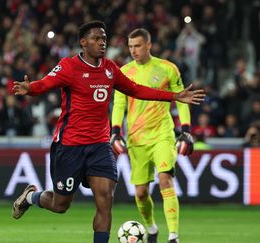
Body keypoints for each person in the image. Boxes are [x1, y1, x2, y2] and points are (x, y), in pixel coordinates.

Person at [11, 21, 204, 243]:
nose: (102, 43)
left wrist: (174, 96)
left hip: (100, 145)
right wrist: (31, 88)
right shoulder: (69, 67)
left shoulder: (110, 68)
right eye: (96, 39)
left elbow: (136, 90)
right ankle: (32, 196)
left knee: (105, 200)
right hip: (70, 145)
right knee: (60, 205)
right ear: (83, 43)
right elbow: (45, 84)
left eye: (104, 38)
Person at [111, 28, 194, 243]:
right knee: (140, 193)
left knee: (165, 179)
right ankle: (152, 228)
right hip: (136, 139)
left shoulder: (168, 69)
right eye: (130, 47)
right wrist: (115, 131)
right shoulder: (124, 72)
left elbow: (182, 100)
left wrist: (186, 130)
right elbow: (119, 104)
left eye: (137, 46)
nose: (133, 50)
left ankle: (174, 236)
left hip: (162, 135)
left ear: (149, 45)